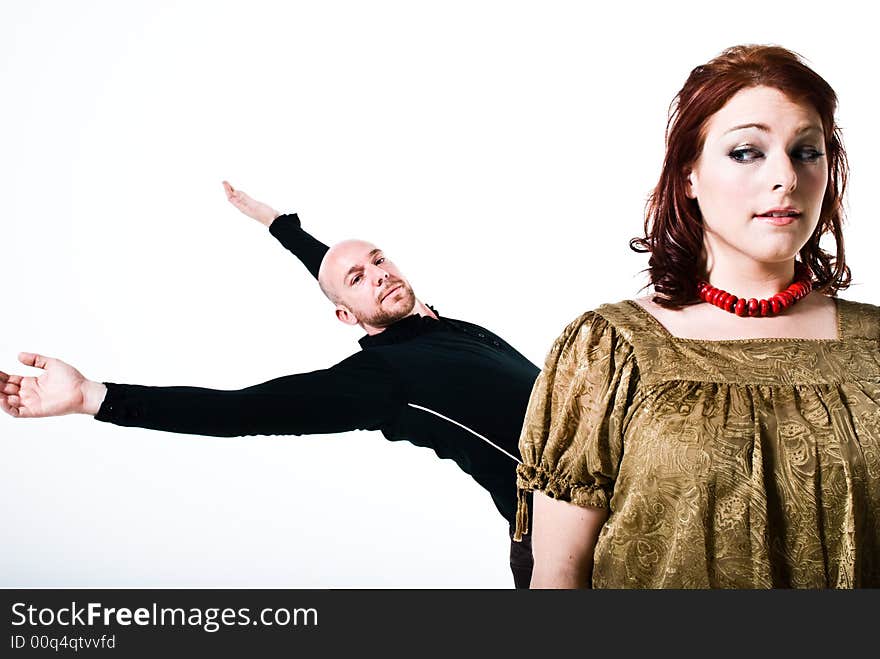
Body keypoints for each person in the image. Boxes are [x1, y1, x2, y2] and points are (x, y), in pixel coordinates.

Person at [0, 182, 539, 588]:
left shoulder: (436, 324)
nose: (377, 274)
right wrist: (93, 396)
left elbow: (330, 266)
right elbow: (240, 412)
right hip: (555, 534)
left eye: (378, 259)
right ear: (346, 317)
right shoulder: (383, 379)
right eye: (359, 279)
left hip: (616, 479)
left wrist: (278, 224)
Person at [514, 44, 879, 588]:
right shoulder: (609, 350)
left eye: (807, 151)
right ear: (689, 176)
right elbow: (558, 579)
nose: (785, 176)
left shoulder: (875, 344)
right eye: (746, 152)